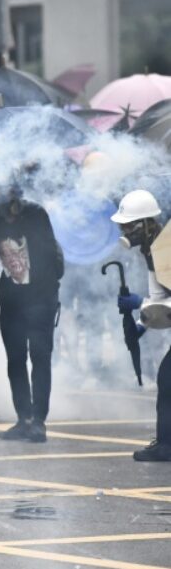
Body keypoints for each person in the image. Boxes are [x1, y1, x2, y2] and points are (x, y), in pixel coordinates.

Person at [0, 184, 63, 443]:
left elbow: (52, 261)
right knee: (16, 361)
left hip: (41, 299)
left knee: (40, 358)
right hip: (11, 302)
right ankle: (24, 419)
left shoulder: (36, 215)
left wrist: (49, 298)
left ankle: (39, 422)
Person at [109, 190, 171, 461]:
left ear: (145, 224)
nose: (125, 231)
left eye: (128, 225)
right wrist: (141, 324)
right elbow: (159, 299)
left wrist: (138, 304)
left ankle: (167, 445)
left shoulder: (166, 246)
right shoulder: (153, 249)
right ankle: (166, 443)